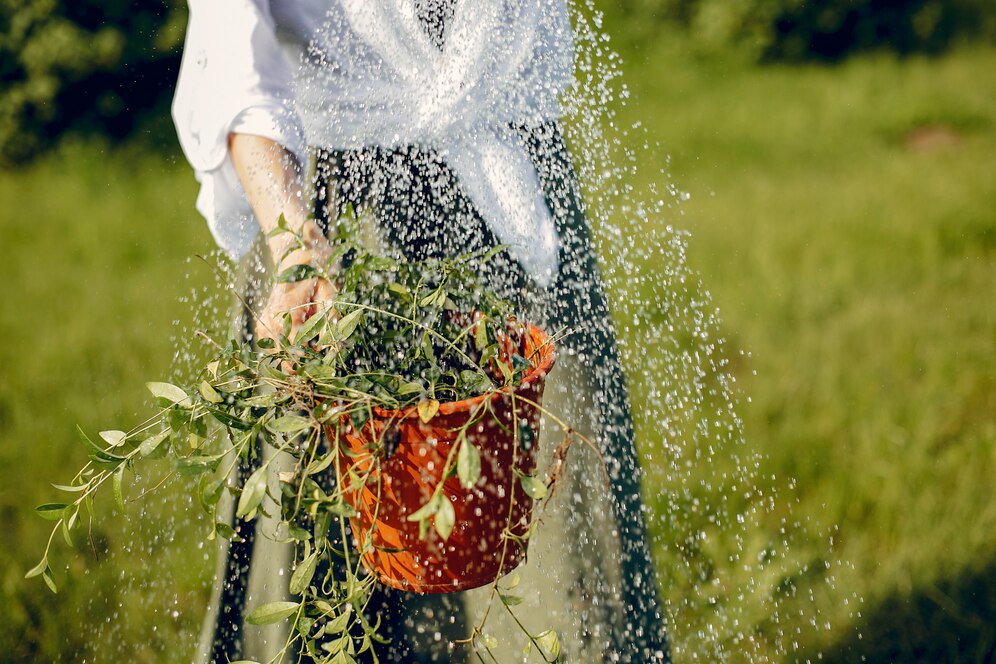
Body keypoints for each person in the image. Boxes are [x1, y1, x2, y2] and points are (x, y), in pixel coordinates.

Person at [172, 1, 669, 661]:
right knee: (326, 537)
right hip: (338, 217)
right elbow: (234, 53)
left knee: (557, 512)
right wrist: (297, 249)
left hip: (508, 176)